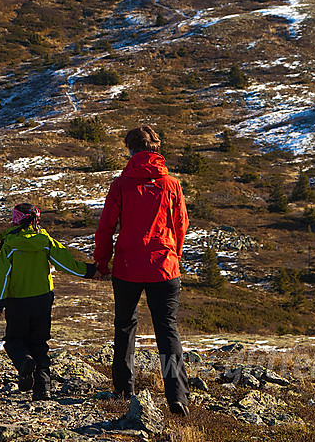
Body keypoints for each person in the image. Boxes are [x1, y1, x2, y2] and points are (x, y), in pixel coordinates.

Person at [94, 125, 191, 416]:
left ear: (130, 150)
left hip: (127, 268)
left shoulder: (121, 184)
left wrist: (102, 262)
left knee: (125, 326)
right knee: (167, 330)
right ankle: (177, 396)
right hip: (164, 266)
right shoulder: (171, 184)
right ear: (156, 148)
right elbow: (181, 224)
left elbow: (106, 228)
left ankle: (124, 390)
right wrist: (173, 254)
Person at [0, 202, 98, 400]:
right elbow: (66, 263)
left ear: (16, 220)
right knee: (40, 344)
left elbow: (3, 276)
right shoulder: (44, 240)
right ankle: (43, 389)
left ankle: (24, 361)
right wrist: (89, 271)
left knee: (14, 341)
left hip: (17, 302)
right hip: (42, 300)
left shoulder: (10, 244)